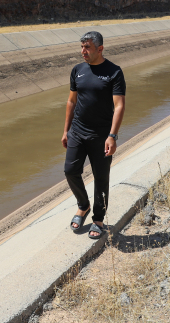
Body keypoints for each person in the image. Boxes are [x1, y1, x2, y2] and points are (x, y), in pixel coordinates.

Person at [62, 31, 126, 239]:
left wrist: (112, 136)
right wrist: (66, 130)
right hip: (78, 131)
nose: (83, 51)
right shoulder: (78, 70)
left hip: (101, 135)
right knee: (70, 170)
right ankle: (84, 205)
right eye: (81, 47)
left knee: (101, 178)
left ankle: (98, 218)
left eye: (87, 47)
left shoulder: (114, 72)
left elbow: (119, 106)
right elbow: (72, 101)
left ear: (100, 49)